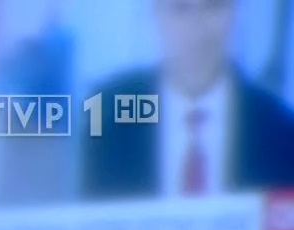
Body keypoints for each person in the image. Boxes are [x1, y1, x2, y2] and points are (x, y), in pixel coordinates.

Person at [82, 0, 294, 197]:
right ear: (155, 14)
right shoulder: (107, 115)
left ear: (236, 11)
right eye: (180, 8)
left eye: (213, 7)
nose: (197, 30)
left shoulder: (280, 129)